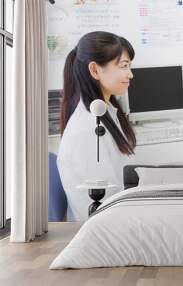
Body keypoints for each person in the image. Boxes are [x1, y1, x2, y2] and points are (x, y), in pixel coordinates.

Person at [57, 31, 136, 221]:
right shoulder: (87, 129)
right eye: (124, 66)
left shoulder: (105, 112)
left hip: (118, 217)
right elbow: (105, 203)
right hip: (105, 230)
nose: (130, 74)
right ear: (94, 70)